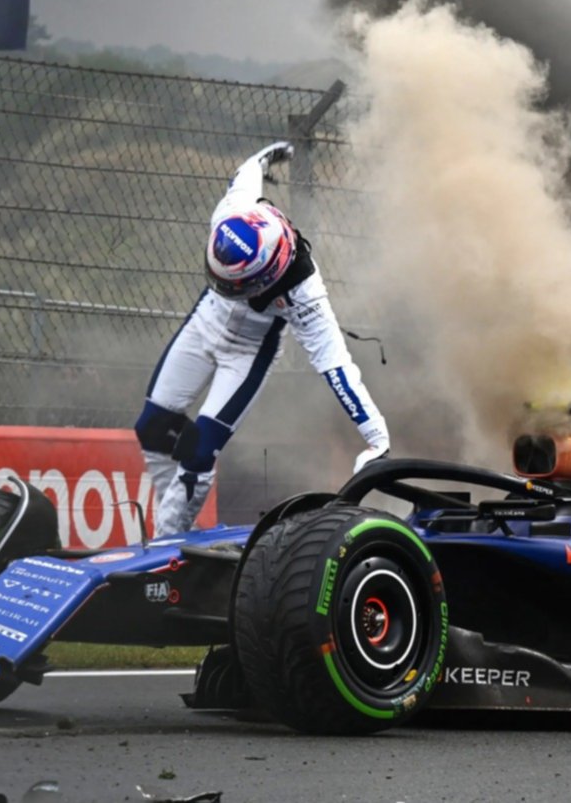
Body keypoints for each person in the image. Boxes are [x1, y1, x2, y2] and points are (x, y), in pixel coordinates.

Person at [135, 141, 391, 539]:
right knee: (151, 427)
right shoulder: (234, 209)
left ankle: (164, 541)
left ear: (270, 275)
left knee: (200, 453)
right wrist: (268, 156)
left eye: (236, 285)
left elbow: (336, 364)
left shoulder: (305, 291)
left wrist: (376, 436)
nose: (225, 287)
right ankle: (171, 533)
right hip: (204, 322)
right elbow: (248, 168)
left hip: (248, 354)